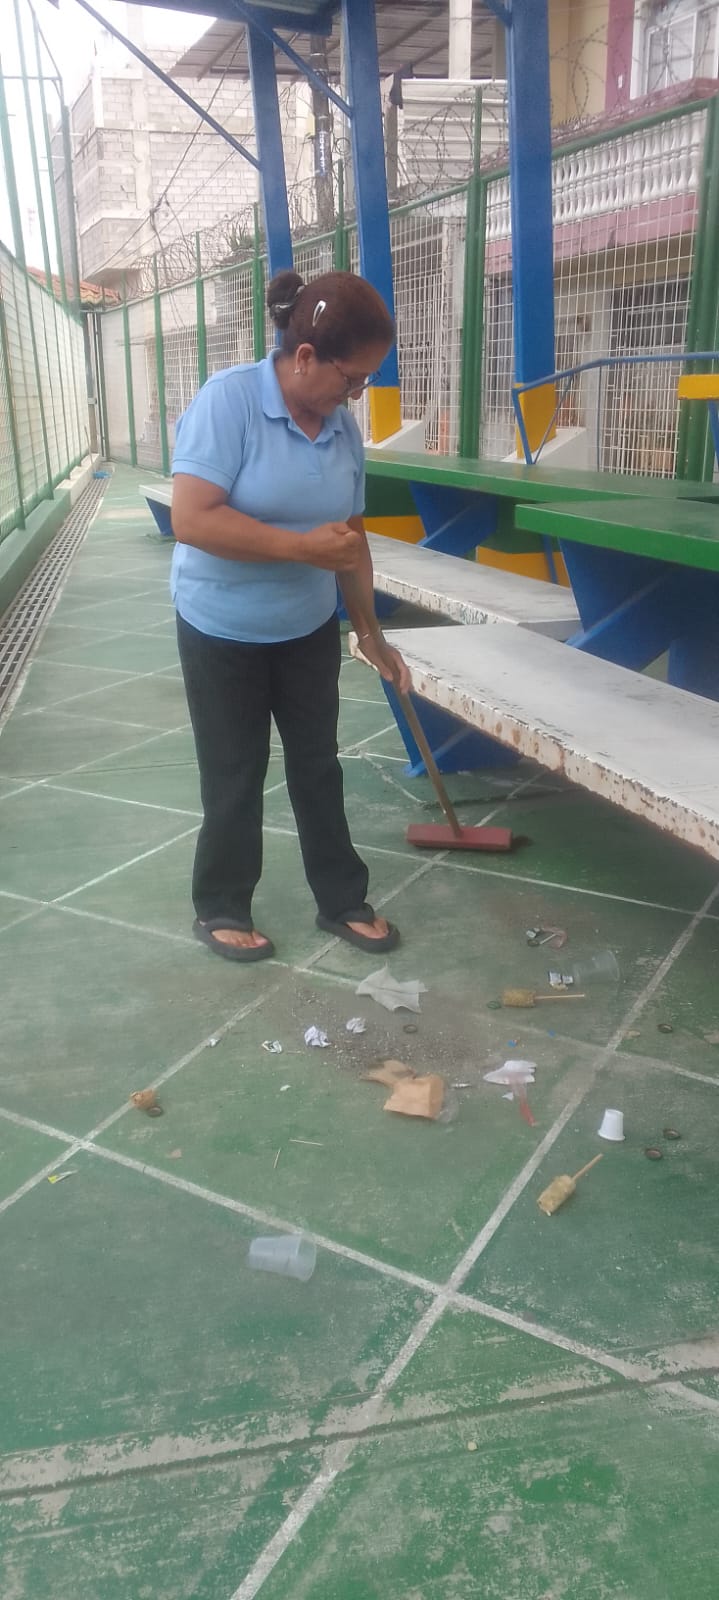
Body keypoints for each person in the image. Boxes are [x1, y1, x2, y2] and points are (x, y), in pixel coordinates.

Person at [171, 267, 411, 964]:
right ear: (305, 356)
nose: (355, 393)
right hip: (220, 625)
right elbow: (193, 518)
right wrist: (300, 548)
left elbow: (350, 538)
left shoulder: (340, 429)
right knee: (234, 771)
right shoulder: (230, 401)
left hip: (305, 626)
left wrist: (370, 632)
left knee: (317, 766)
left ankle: (342, 899)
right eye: (351, 378)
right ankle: (222, 904)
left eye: (365, 380)